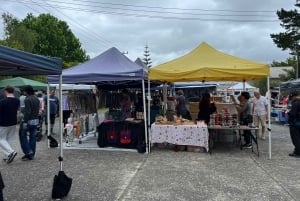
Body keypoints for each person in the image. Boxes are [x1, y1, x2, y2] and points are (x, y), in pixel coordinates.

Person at [19, 85, 40, 160]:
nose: (23, 92)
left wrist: (25, 121)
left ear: (26, 91)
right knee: (33, 137)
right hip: (35, 120)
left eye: (24, 91)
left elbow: (28, 112)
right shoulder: (36, 98)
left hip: (29, 121)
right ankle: (32, 153)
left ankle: (28, 152)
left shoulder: (27, 99)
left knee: (22, 135)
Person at [0, 85, 20, 164]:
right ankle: (7, 156)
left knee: (1, 139)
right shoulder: (17, 101)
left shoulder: (2, 101)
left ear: (5, 91)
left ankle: (11, 152)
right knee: (9, 139)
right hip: (13, 122)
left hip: (3, 123)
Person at [287, 92, 300, 158]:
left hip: (295, 123)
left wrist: (288, 112)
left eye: (291, 98)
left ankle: (298, 152)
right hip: (298, 122)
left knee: (296, 138)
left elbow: (293, 114)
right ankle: (297, 150)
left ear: (294, 97)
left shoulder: (296, 103)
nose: (291, 99)